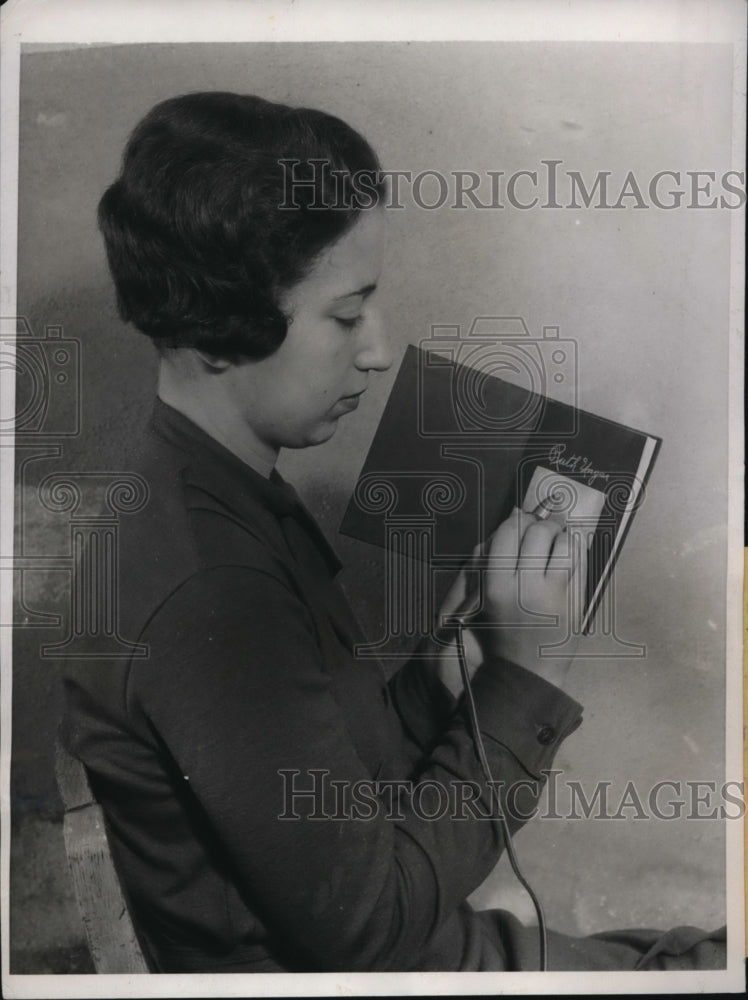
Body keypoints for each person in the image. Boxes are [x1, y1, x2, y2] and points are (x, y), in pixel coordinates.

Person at [61, 91, 726, 974]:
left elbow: (320, 785)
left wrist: (439, 684)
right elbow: (366, 931)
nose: (376, 348)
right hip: (379, 970)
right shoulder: (211, 593)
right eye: (347, 314)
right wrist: (528, 677)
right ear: (218, 327)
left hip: (406, 949)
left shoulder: (219, 493)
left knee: (696, 953)